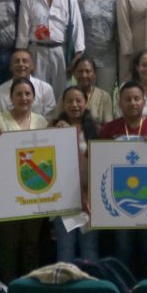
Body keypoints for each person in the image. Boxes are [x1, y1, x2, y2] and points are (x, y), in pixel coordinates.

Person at [0, 78, 48, 282]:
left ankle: (29, 287)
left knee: (31, 243)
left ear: (34, 97)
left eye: (28, 94)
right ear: (11, 97)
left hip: (35, 191)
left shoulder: (42, 122)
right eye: (19, 94)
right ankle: (8, 286)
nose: (24, 98)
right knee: (9, 244)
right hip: (6, 193)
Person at [97, 82, 147, 278]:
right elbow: (99, 162)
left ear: (144, 101)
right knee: (122, 248)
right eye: (128, 99)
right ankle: (125, 287)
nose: (132, 103)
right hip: (119, 199)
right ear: (120, 102)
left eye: (137, 98)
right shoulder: (109, 129)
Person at [16, 0, 85, 101]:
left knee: (62, 95)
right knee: (37, 93)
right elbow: (23, 30)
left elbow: (77, 27)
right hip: (36, 52)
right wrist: (23, 56)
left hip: (60, 51)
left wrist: (77, 56)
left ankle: (60, 123)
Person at [50, 86, 98, 263]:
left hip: (88, 198)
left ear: (85, 103)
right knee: (65, 247)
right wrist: (55, 134)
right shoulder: (53, 128)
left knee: (89, 248)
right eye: (69, 101)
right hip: (64, 200)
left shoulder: (94, 130)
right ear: (63, 104)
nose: (74, 104)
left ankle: (92, 289)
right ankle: (64, 289)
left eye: (78, 100)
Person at [77, 0, 120, 93]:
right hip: (86, 57)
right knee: (86, 97)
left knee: (106, 96)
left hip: (109, 58)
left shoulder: (116, 0)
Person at [0, 49, 57, 117]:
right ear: (10, 67)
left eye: (25, 61)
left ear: (32, 66)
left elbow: (50, 118)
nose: (21, 64)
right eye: (17, 61)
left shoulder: (45, 89)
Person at [71, 57, 115, 125]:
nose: (84, 75)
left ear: (94, 74)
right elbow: (54, 123)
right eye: (80, 71)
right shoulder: (66, 96)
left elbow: (109, 125)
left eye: (88, 71)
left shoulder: (104, 97)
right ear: (74, 74)